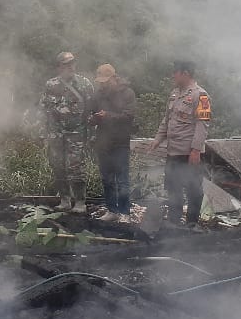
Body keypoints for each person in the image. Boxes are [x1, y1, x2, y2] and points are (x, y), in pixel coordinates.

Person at [147, 61, 212, 226]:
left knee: (193, 189)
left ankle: (191, 223)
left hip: (188, 152)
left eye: (176, 72)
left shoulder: (201, 95)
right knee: (173, 188)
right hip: (173, 151)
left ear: (186, 73)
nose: (173, 75)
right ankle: (174, 222)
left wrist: (196, 150)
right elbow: (167, 119)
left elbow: (202, 124)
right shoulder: (175, 94)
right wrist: (158, 139)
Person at [40, 52, 95, 214]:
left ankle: (80, 202)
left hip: (76, 134)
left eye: (72, 63)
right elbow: (44, 109)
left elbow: (92, 111)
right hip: (55, 134)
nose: (71, 67)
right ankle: (64, 200)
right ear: (59, 67)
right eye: (66, 64)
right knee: (58, 166)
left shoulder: (84, 84)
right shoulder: (50, 85)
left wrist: (92, 134)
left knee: (76, 167)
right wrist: (43, 133)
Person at [90, 64, 137, 222]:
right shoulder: (98, 95)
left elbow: (129, 116)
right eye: (100, 81)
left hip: (120, 142)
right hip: (103, 142)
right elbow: (90, 114)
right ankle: (112, 210)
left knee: (122, 179)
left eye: (105, 81)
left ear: (113, 78)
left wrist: (108, 115)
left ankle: (125, 213)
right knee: (107, 179)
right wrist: (93, 118)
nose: (102, 84)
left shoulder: (127, 93)